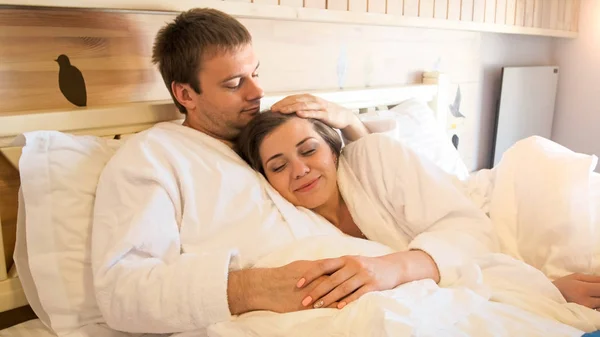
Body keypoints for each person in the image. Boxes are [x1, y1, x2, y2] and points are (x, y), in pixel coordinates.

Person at [91, 7, 371, 334]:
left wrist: (352, 124)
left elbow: (377, 197)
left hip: (362, 287)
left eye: (256, 73)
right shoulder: (152, 157)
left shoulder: (272, 137)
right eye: (235, 83)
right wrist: (251, 288)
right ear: (185, 94)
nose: (257, 92)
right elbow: (123, 292)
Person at [235, 110, 498, 310]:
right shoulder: (286, 225)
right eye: (279, 167)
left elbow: (470, 229)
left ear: (333, 150)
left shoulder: (375, 156)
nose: (300, 170)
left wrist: (395, 268)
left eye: (309, 150)